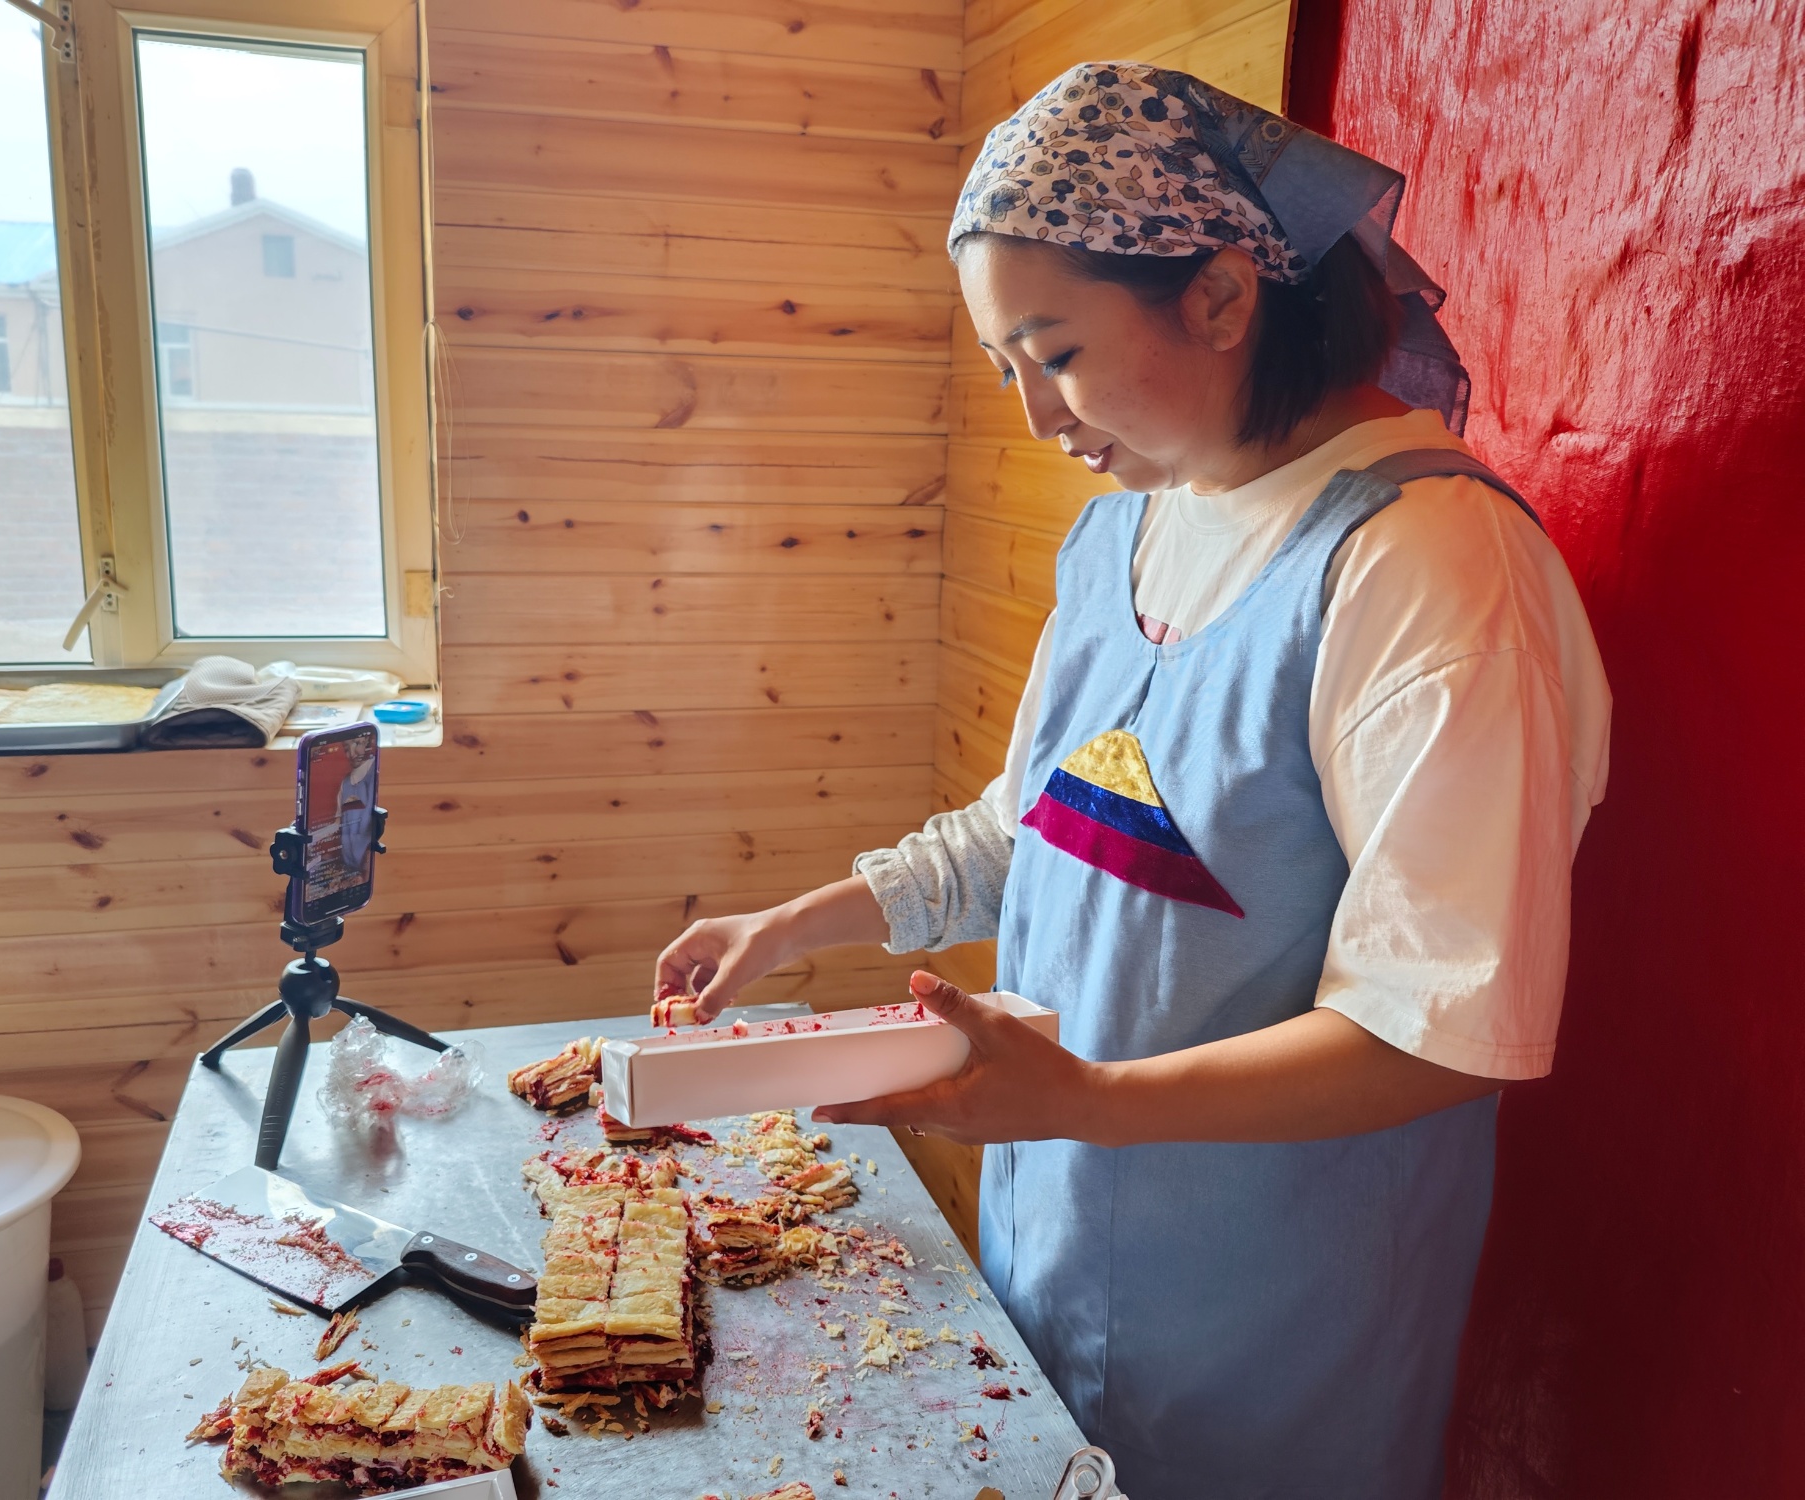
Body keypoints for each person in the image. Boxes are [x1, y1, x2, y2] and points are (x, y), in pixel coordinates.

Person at [655, 62, 1611, 1497]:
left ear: (1223, 297)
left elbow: (1436, 1032)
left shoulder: (1429, 571)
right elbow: (1042, 821)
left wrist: (1087, 1096)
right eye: (1004, 370)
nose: (1039, 416)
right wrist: (797, 924)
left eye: (1058, 352)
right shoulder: (1126, 538)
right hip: (1049, 1258)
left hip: (1277, 1330)